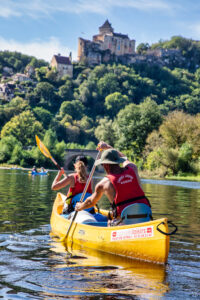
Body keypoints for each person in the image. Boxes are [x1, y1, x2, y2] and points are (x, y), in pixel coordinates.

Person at [75, 142, 151, 225]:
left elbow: (91, 202)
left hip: (124, 222)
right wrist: (108, 147)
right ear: (118, 161)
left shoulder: (104, 183)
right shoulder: (133, 168)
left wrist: (80, 206)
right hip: (145, 217)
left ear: (105, 165)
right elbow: (124, 158)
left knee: (109, 222)